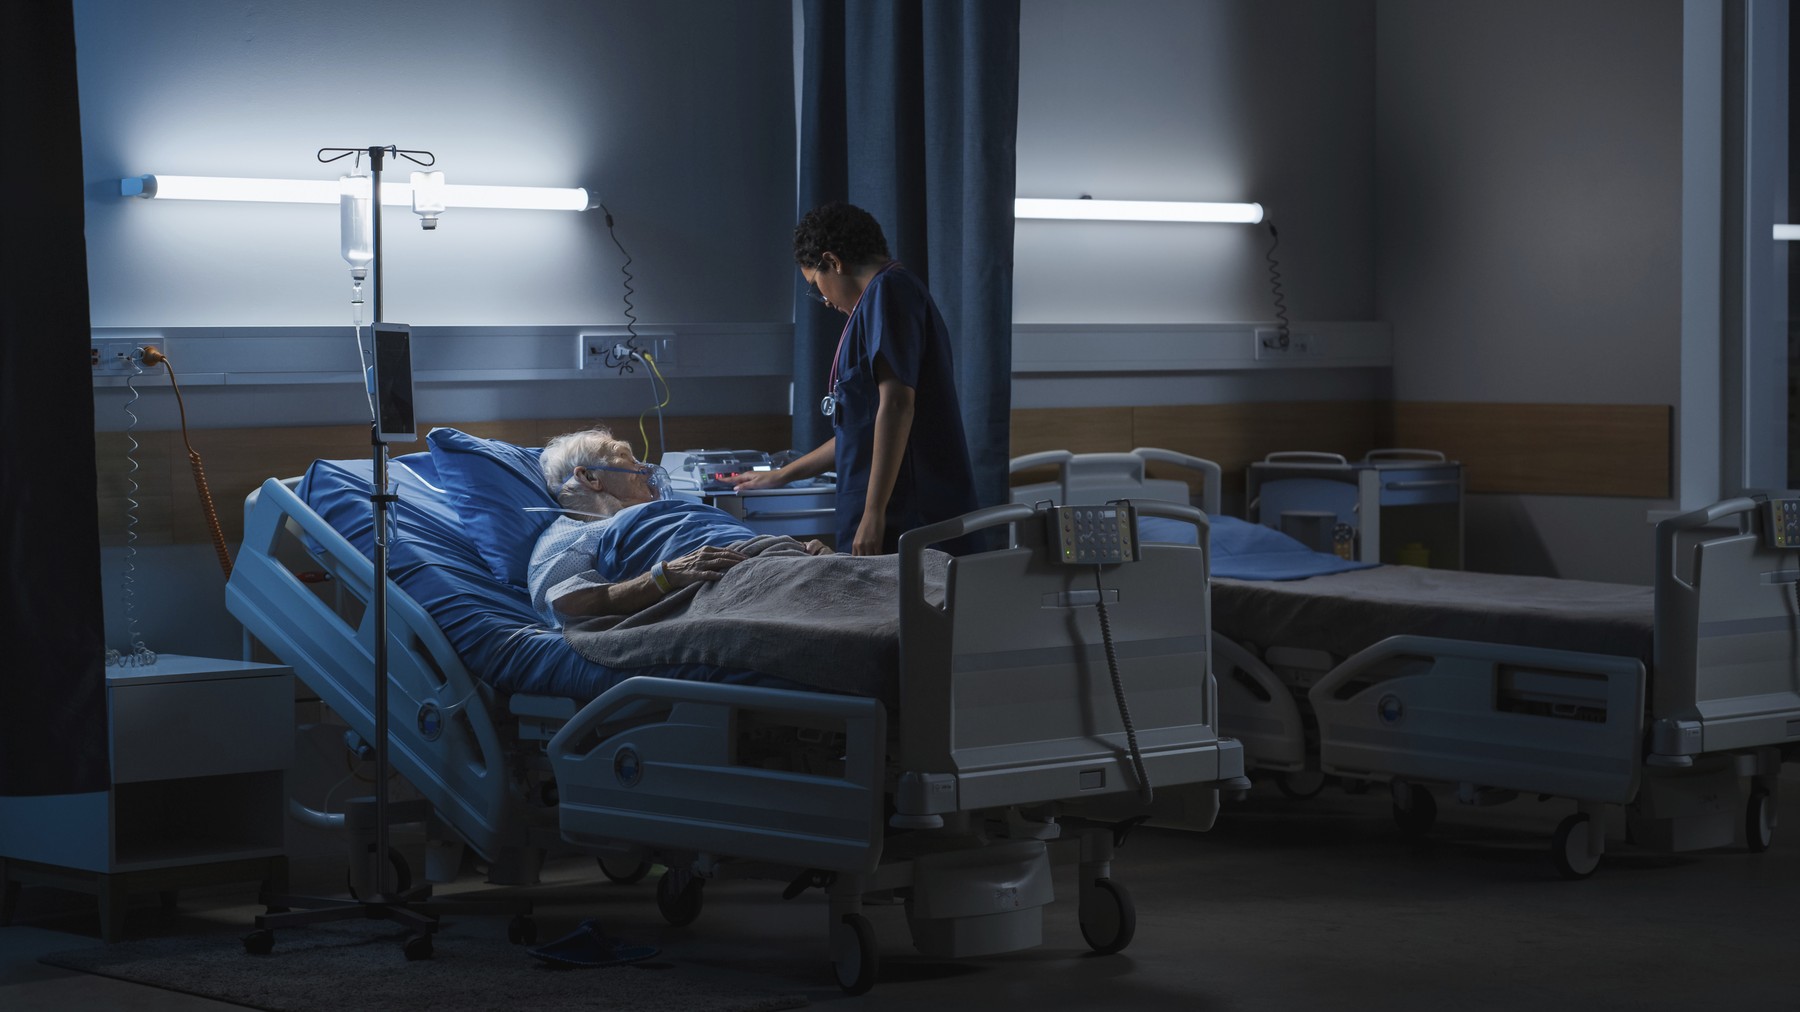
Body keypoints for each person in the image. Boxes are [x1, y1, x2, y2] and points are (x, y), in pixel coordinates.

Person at [731, 202, 979, 556]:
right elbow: (859, 431)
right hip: (886, 508)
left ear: (833, 262)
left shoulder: (888, 291)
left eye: (817, 285)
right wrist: (782, 475)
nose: (825, 301)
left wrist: (873, 512)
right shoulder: (877, 303)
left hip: (905, 511)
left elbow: (896, 406)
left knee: (908, 607)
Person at [526, 427, 829, 623]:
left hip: (781, 561)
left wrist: (802, 550)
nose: (644, 469)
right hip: (735, 587)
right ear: (590, 477)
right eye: (627, 459)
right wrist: (664, 576)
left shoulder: (680, 507)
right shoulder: (573, 533)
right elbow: (562, 604)